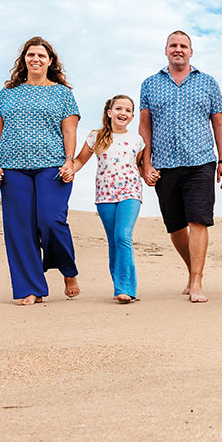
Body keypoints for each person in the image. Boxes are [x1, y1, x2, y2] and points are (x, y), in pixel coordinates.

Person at [0, 36, 81, 306]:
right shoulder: (8, 92)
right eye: (31, 55)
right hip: (12, 168)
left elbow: (69, 130)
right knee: (20, 228)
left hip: (52, 166)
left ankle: (67, 270)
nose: (35, 59)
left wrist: (69, 161)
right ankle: (30, 288)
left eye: (41, 55)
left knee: (51, 220)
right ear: (24, 59)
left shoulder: (63, 93)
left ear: (50, 61)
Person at [138, 31, 222, 303]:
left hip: (200, 161)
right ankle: (192, 271)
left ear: (191, 51)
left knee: (198, 220)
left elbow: (220, 123)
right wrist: (146, 162)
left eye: (183, 46)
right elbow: (145, 126)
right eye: (173, 45)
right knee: (175, 226)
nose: (178, 49)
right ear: (166, 50)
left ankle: (197, 281)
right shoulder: (150, 84)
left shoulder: (208, 82)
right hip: (164, 164)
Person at [69, 95, 146, 303]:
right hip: (104, 195)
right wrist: (68, 171)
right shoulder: (96, 136)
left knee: (123, 236)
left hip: (130, 193)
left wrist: (151, 173)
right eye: (119, 108)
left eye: (128, 110)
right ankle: (119, 286)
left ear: (131, 116)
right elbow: (79, 161)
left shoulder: (137, 140)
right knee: (114, 241)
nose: (123, 113)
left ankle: (126, 289)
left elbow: (140, 166)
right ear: (109, 112)